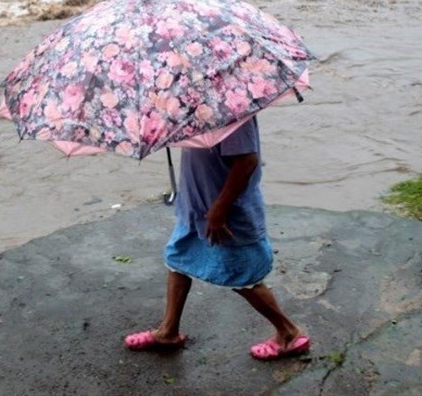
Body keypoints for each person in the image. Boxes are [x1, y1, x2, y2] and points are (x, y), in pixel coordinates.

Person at [123, 116, 310, 360]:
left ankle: (288, 333)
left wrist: (220, 209)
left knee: (243, 277)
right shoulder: (196, 109)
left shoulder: (233, 113)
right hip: (196, 206)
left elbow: (247, 161)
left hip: (224, 213)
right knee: (177, 261)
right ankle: (168, 332)